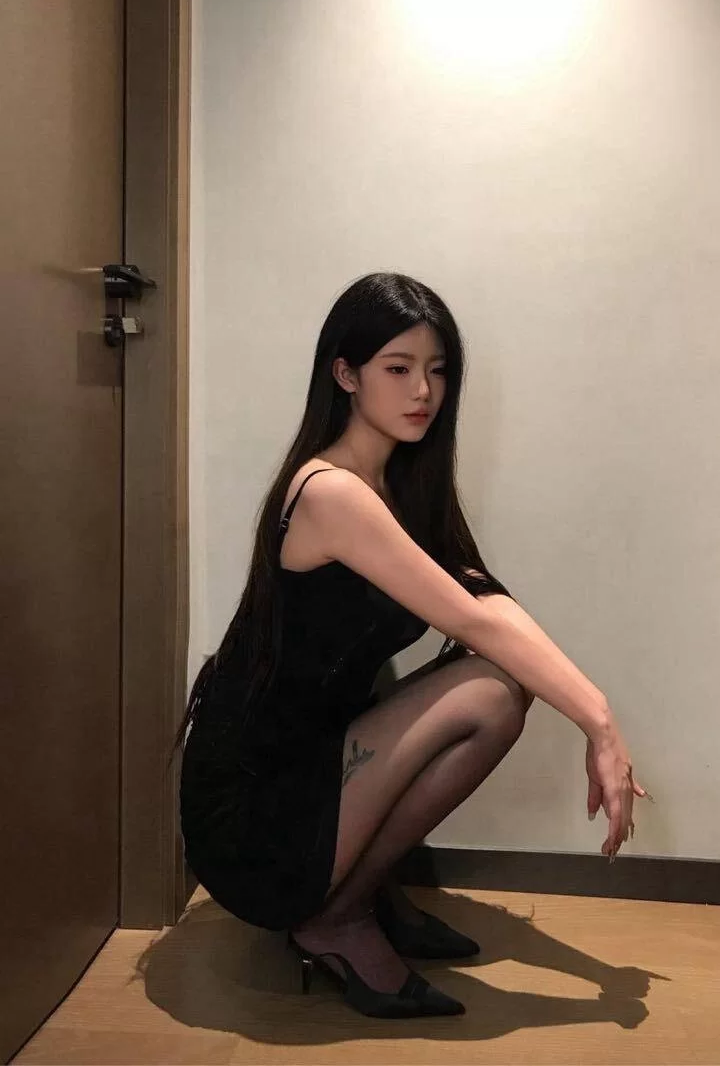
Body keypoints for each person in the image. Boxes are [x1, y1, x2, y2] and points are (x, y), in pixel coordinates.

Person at [175, 272, 648, 1020]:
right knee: (491, 691)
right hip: (252, 811)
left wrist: (597, 717)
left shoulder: (397, 480)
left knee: (502, 685)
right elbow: (477, 624)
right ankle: (336, 917)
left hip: (314, 758)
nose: (423, 391)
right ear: (346, 374)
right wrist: (600, 722)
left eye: (437, 370)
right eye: (398, 368)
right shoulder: (331, 492)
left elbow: (485, 599)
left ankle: (360, 894)